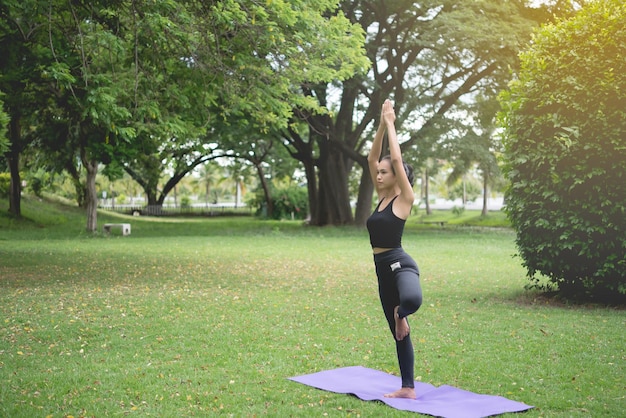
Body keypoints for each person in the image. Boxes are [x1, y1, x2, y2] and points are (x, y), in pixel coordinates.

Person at [366, 99, 423, 399]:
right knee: (398, 333)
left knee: (411, 301)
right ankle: (408, 388)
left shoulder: (404, 200)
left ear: (397, 177)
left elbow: (397, 161)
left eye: (384, 172)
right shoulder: (383, 196)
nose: (379, 174)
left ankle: (402, 313)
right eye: (379, 172)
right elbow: (373, 157)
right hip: (381, 273)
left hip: (400, 265)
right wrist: (379, 124)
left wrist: (391, 124)